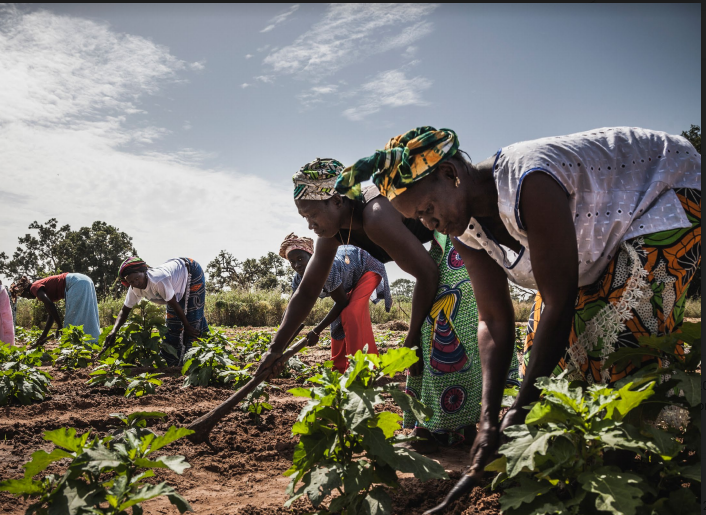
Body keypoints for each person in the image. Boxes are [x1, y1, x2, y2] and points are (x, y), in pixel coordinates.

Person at [345, 126, 701, 477]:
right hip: (607, 235)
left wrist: (518, 410)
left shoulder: (529, 182)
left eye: (427, 208)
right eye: (419, 218)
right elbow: (494, 321)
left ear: (450, 173)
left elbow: (560, 303)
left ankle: (645, 461)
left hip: (665, 189)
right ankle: (582, 460)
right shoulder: (465, 230)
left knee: (624, 329)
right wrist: (489, 420)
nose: (430, 221)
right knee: (542, 353)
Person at [259, 158, 493, 450]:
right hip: (436, 250)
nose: (310, 224)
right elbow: (306, 293)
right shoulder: (331, 235)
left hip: (454, 239)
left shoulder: (375, 216)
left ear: (335, 201)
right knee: (428, 334)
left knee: (440, 321)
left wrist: (410, 339)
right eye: (304, 217)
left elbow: (426, 274)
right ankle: (442, 428)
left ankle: (446, 430)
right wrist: (274, 349)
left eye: (312, 215)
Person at [280, 233, 391, 373]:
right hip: (349, 276)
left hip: (366, 266)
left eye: (301, 259)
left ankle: (360, 368)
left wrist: (316, 331)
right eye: (292, 261)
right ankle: (339, 369)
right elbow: (293, 311)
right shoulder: (298, 279)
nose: (297, 265)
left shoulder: (327, 268)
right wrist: (279, 345)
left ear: (312, 257)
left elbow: (341, 302)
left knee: (351, 313)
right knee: (337, 321)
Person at [106, 256, 209, 366]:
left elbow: (173, 303)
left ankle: (194, 363)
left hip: (190, 271)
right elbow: (124, 311)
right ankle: (170, 363)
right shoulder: (134, 289)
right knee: (172, 326)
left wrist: (187, 326)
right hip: (174, 283)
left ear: (144, 272)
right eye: (131, 282)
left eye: (137, 279)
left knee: (192, 323)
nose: (136, 283)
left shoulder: (158, 280)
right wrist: (114, 331)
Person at [10, 273, 101, 346]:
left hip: (76, 283)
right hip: (84, 280)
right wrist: (43, 336)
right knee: (87, 313)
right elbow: (51, 314)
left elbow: (50, 305)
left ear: (26, 291)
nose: (27, 298)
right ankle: (91, 341)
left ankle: (73, 346)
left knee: (73, 317)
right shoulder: (40, 287)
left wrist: (60, 326)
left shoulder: (34, 287)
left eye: (25, 296)